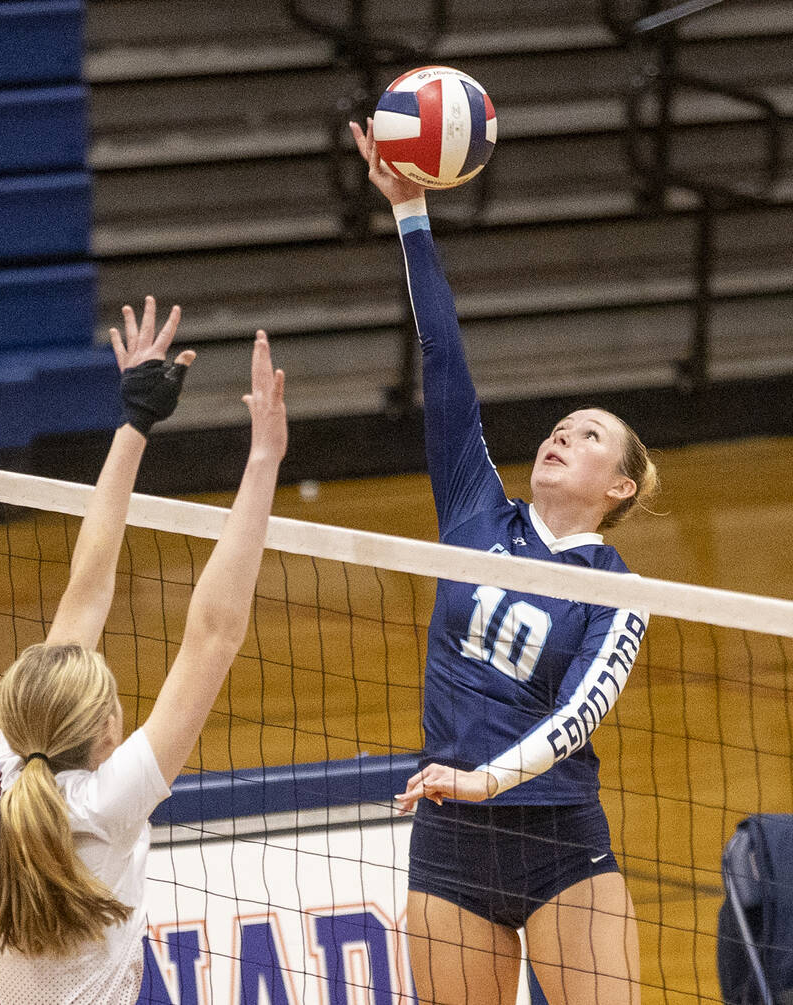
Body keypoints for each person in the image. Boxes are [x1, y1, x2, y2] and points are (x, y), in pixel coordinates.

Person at [351, 119, 658, 1005]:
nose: (564, 433)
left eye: (590, 434)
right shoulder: (476, 507)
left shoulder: (618, 590)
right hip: (451, 844)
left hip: (559, 837)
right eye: (562, 425)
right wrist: (411, 212)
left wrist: (487, 778)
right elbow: (444, 358)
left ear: (622, 487)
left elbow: (577, 717)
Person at [0, 297, 287, 1003]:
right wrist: (263, 458)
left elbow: (85, 594)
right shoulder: (108, 798)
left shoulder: (2, 777)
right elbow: (214, 631)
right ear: (108, 729)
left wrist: (134, 420)